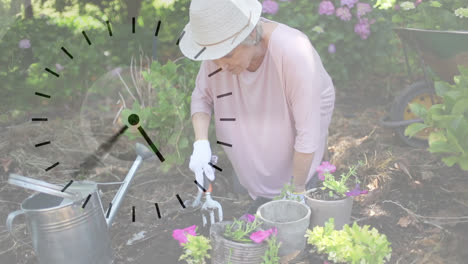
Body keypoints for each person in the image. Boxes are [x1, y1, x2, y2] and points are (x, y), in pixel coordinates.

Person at [179, 0, 335, 214]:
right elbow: (201, 97)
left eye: (227, 55)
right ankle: (255, 186)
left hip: (297, 156)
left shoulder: (293, 51)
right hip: (250, 154)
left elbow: (308, 133)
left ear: (251, 35)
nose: (221, 66)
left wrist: (298, 191)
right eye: (214, 58)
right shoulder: (219, 55)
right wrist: (201, 143)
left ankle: (301, 184)